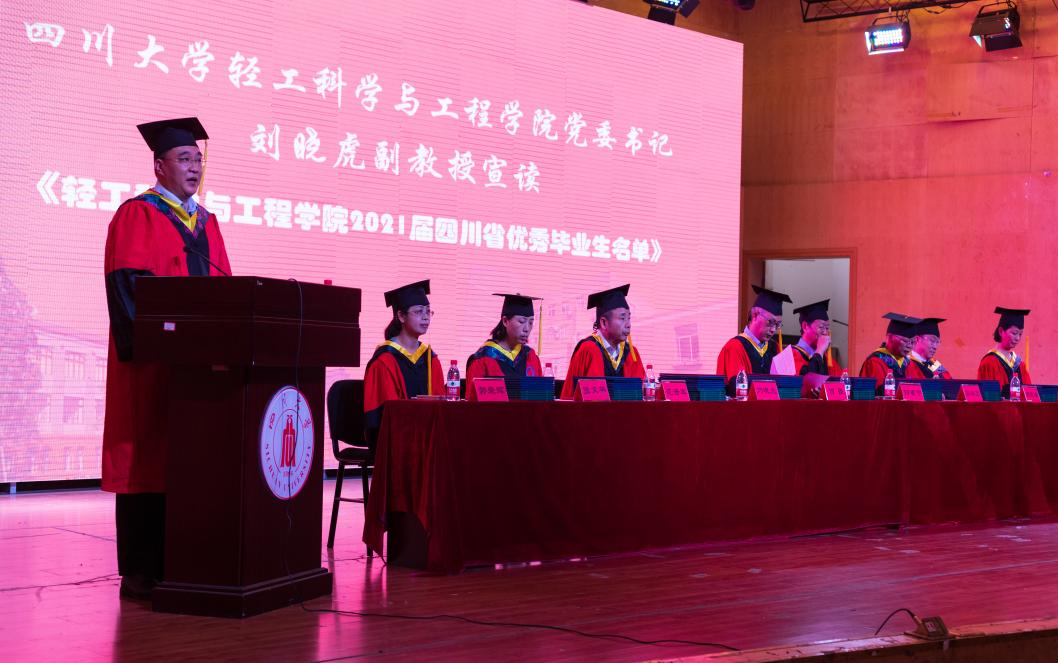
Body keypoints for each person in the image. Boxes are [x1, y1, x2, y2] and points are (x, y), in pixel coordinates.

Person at [103, 117, 232, 600]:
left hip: (197, 369)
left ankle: (188, 560)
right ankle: (142, 570)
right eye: (183, 158)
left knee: (191, 459)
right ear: (159, 166)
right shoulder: (137, 214)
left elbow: (226, 291)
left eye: (198, 159)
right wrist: (155, 348)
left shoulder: (207, 222)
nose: (194, 167)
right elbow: (125, 287)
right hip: (153, 368)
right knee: (147, 459)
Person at [363, 280, 444, 448]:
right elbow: (386, 415)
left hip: (429, 442)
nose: (425, 317)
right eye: (418, 311)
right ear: (401, 316)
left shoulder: (431, 359)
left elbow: (441, 406)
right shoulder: (384, 361)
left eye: (428, 311)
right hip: (397, 443)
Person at [560, 284, 646, 399]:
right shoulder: (588, 349)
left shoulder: (631, 352)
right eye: (622, 318)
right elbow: (571, 396)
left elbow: (641, 395)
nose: (628, 325)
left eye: (629, 318)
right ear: (604, 323)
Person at [716, 285, 792, 392]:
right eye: (770, 322)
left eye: (778, 324)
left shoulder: (775, 348)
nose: (773, 329)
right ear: (755, 315)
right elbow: (736, 388)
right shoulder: (735, 347)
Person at [466, 294, 543, 383]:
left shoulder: (530, 356)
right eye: (521, 321)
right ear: (505, 321)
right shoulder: (483, 358)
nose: (526, 329)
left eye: (531, 323)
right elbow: (472, 392)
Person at [859, 312, 921, 389]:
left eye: (913, 342)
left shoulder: (910, 364)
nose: (909, 346)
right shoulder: (875, 362)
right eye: (905, 341)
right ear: (890, 338)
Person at [978, 307, 1032, 393]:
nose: (1017, 338)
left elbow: (1029, 393)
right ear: (1001, 331)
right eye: (1014, 333)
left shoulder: (1020, 364)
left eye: (1020, 334)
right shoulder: (989, 362)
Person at [789, 299, 843, 377]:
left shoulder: (829, 360)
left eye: (827, 328)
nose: (825, 333)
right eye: (821, 327)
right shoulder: (790, 356)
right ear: (805, 326)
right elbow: (808, 380)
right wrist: (819, 351)